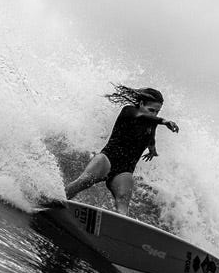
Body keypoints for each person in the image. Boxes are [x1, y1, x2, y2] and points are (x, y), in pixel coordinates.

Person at [64, 84, 179, 215]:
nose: (154, 114)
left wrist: (152, 149)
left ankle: (117, 229)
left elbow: (151, 135)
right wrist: (164, 121)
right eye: (151, 110)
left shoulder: (151, 123)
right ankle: (57, 201)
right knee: (84, 181)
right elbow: (143, 117)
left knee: (123, 200)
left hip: (125, 169)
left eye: (157, 112)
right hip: (107, 159)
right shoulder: (129, 111)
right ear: (141, 104)